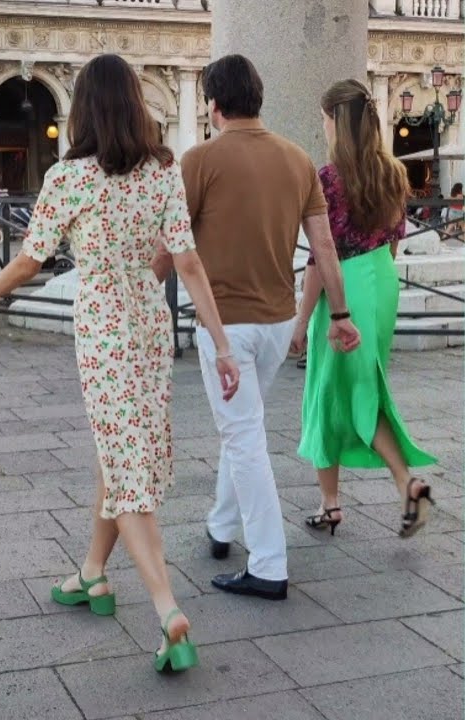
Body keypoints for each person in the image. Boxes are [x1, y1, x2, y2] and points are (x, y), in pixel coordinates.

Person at [0, 54, 239, 674]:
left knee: (125, 463)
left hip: (104, 327)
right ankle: (93, 573)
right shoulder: (162, 172)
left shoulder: (71, 178)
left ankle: (168, 610)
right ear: (137, 105)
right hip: (149, 322)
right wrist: (219, 345)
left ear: (83, 109)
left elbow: (31, 260)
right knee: (119, 453)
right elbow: (187, 262)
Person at [153, 54, 360, 601]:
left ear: (214, 104)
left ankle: (268, 565)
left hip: (225, 327)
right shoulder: (297, 161)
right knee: (240, 425)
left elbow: (169, 249)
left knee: (243, 437)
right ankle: (222, 527)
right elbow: (324, 248)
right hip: (276, 322)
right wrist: (338, 315)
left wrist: (142, 295)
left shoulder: (197, 161)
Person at [292, 79, 438, 538]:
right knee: (360, 386)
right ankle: (335, 502)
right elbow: (393, 242)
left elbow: (321, 257)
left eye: (324, 118)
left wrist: (302, 321)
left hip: (346, 284)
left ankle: (398, 483)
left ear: (336, 120)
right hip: (381, 280)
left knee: (328, 390)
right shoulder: (392, 171)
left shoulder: (329, 178)